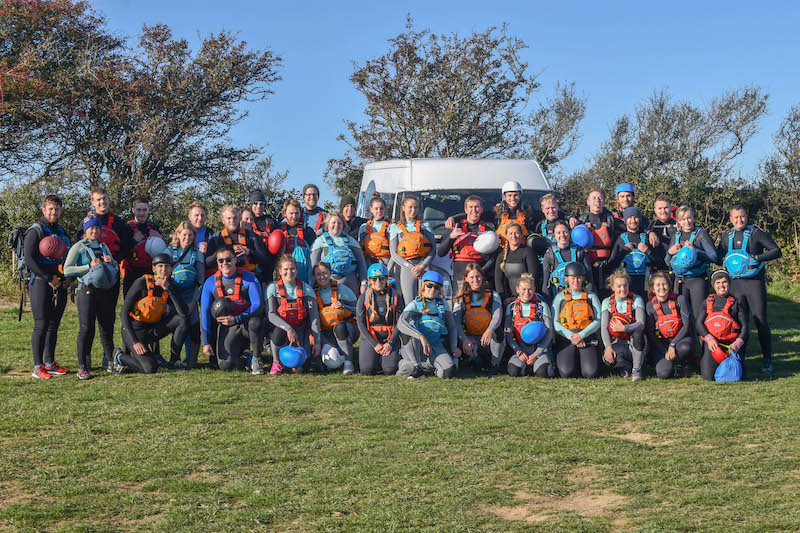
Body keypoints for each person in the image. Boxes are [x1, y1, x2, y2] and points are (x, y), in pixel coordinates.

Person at [717, 205, 782, 373]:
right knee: (739, 323)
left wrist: (757, 257)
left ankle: (767, 359)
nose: (740, 220)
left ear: (746, 216)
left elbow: (776, 251)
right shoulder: (727, 237)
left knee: (760, 321)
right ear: (730, 219)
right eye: (736, 217)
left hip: (754, 284)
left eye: (742, 216)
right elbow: (717, 256)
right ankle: (740, 357)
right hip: (735, 285)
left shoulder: (756, 233)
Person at [78, 187, 132, 368]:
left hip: (111, 278)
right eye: (98, 199)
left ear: (108, 199)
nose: (102, 202)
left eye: (104, 198)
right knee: (88, 324)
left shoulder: (118, 222)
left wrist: (112, 263)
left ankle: (108, 358)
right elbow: (78, 247)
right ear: (92, 202)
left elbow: (126, 247)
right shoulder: (86, 221)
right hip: (90, 280)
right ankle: (85, 360)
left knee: (108, 320)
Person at [109, 253, 190, 374]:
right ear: (154, 268)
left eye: (167, 266)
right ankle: (119, 356)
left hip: (152, 330)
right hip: (135, 331)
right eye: (160, 266)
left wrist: (169, 289)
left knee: (182, 320)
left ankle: (174, 360)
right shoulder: (141, 283)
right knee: (150, 368)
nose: (163, 270)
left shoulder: (170, 285)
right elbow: (123, 313)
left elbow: (183, 313)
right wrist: (135, 342)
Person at [64, 216, 119, 379]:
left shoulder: (103, 246)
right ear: (85, 230)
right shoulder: (78, 247)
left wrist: (112, 263)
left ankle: (110, 362)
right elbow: (67, 270)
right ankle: (82, 365)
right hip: (86, 291)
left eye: (97, 228)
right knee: (86, 328)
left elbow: (115, 266)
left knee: (106, 327)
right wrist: (88, 266)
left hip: (104, 291)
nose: (94, 231)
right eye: (91, 228)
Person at [25, 194, 72, 379]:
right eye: (50, 209)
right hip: (40, 282)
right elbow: (29, 259)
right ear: (44, 210)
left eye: (57, 209)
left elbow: (68, 258)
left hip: (59, 282)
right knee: (41, 324)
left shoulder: (61, 231)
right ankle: (38, 367)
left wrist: (68, 278)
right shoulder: (35, 230)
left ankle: (50, 363)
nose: (54, 212)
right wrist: (47, 278)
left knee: (54, 325)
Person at [199, 245, 264, 372]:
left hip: (246, 324)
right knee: (225, 365)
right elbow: (205, 313)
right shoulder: (210, 282)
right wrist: (206, 342)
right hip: (227, 326)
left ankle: (257, 359)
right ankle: (245, 357)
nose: (225, 263)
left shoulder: (249, 278)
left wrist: (237, 319)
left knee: (255, 322)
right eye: (221, 260)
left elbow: (257, 305)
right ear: (217, 263)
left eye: (228, 259)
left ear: (235, 260)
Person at [397, 271, 461, 379]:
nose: (432, 290)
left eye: (436, 287)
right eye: (429, 285)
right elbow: (401, 323)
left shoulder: (442, 304)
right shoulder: (415, 304)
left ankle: (422, 367)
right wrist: (420, 337)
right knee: (407, 331)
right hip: (416, 347)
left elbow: (452, 326)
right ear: (423, 286)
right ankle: (417, 367)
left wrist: (454, 346)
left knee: (448, 372)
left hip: (435, 345)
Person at [265, 254, 321, 374]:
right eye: (285, 269)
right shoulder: (272, 288)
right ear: (280, 271)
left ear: (296, 270)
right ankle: (276, 361)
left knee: (301, 370)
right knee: (278, 332)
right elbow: (271, 314)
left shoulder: (306, 289)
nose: (289, 272)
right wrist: (288, 328)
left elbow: (314, 318)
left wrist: (317, 342)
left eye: (292, 269)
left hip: (300, 331)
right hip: (281, 331)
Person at [665, 205, 717, 323]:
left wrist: (695, 250)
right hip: (680, 280)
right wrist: (669, 253)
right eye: (683, 219)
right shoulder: (677, 236)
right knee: (682, 316)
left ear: (693, 218)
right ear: (678, 221)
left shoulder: (701, 234)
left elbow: (713, 257)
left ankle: (701, 335)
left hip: (697, 279)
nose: (687, 222)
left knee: (698, 315)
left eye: (689, 218)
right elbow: (667, 261)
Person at [696, 270, 749, 381]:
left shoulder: (737, 302)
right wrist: (709, 339)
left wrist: (737, 344)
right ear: (713, 285)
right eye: (718, 283)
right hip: (713, 344)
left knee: (738, 376)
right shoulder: (707, 302)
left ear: (729, 284)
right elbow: (699, 324)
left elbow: (745, 326)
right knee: (708, 377)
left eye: (724, 282)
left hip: (731, 344)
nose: (721, 285)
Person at [452, 264, 505, 375]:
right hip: (470, 337)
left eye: (478, 276)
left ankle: (495, 364)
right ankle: (471, 360)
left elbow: (497, 316)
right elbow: (456, 321)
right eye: (471, 277)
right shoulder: (461, 297)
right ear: (466, 279)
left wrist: (489, 330)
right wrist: (464, 339)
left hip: (487, 337)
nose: (475, 280)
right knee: (477, 363)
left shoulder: (493, 295)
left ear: (482, 277)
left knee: (499, 333)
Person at [552, 262, 602, 378]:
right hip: (567, 338)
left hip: (587, 337)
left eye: (579, 278)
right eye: (573, 278)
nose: (576, 281)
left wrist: (581, 335)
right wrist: (573, 337)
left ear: (583, 278)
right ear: (567, 279)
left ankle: (585, 361)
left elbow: (598, 320)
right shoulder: (559, 298)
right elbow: (555, 322)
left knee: (590, 373)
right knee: (566, 373)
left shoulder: (591, 297)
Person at [166, 222, 205, 369]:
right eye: (184, 234)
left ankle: (191, 360)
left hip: (191, 294)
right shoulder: (169, 251)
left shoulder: (197, 253)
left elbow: (200, 280)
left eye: (190, 235)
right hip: (174, 295)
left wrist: (194, 301)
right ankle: (174, 358)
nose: (187, 238)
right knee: (178, 325)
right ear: (178, 235)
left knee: (193, 324)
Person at [437, 195, 497, 289]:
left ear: (481, 209)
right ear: (465, 210)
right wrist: (451, 237)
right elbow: (440, 252)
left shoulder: (487, 231)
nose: (474, 210)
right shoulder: (456, 228)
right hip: (460, 273)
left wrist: (481, 271)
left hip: (479, 276)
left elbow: (493, 257)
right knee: (460, 298)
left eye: (477, 207)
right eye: (470, 207)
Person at [356, 263, 404, 376]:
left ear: (386, 279)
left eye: (381, 278)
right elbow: (360, 324)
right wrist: (375, 344)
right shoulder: (364, 297)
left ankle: (384, 360)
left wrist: (390, 343)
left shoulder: (395, 296)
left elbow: (399, 322)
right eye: (374, 279)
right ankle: (375, 359)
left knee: (390, 370)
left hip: (389, 338)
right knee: (367, 371)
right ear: (369, 280)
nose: (378, 281)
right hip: (371, 337)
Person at [645, 271, 694, 379]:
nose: (662, 287)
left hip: (680, 341)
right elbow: (651, 333)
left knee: (685, 348)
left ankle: (684, 364)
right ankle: (671, 364)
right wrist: (665, 351)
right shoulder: (649, 306)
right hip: (662, 344)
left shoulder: (679, 299)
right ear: (652, 289)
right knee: (664, 374)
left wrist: (673, 345)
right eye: (658, 285)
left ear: (669, 286)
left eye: (664, 284)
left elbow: (686, 326)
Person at [390, 195, 437, 306]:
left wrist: (422, 266)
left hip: (423, 267)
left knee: (426, 302)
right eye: (410, 207)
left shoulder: (425, 225)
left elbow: (433, 250)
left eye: (415, 207)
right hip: (407, 269)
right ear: (403, 208)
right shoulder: (395, 227)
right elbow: (393, 253)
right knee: (409, 304)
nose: (413, 210)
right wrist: (410, 267)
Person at [504, 274, 554, 377]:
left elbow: (549, 332)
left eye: (530, 289)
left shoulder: (542, 306)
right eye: (523, 289)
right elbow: (508, 333)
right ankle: (526, 367)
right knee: (514, 372)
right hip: (521, 349)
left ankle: (541, 365)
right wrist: (518, 351)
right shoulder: (511, 308)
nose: (526, 292)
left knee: (543, 372)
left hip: (539, 349)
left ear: (534, 289)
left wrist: (536, 354)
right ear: (517, 289)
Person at [313, 261, 358, 375]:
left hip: (345, 329)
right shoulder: (312, 292)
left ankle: (348, 362)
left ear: (330, 273)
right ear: (314, 276)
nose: (322, 277)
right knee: (331, 362)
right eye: (318, 274)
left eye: (325, 273)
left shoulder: (341, 289)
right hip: (325, 332)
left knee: (340, 326)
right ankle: (334, 357)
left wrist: (344, 306)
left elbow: (358, 310)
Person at [600, 270, 647, 381]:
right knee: (608, 359)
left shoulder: (636, 299)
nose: (623, 289)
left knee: (638, 334)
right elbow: (604, 327)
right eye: (619, 286)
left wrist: (625, 328)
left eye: (625, 285)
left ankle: (637, 369)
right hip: (618, 342)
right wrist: (608, 347)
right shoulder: (607, 302)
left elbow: (641, 323)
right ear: (613, 287)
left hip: (635, 343)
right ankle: (624, 366)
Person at [206, 205, 270, 281]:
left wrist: (249, 252)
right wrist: (220, 253)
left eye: (235, 218)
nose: (232, 221)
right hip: (224, 280)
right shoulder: (216, 239)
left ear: (240, 219)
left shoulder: (252, 236)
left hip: (248, 279)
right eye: (229, 218)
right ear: (223, 220)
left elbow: (265, 259)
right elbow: (207, 263)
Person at [310, 212, 367, 295]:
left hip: (351, 287)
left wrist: (364, 283)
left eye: (339, 223)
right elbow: (312, 266)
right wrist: (312, 286)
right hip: (327, 287)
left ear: (343, 225)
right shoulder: (320, 242)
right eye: (333, 222)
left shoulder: (351, 241)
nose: (336, 225)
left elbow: (362, 265)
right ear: (327, 224)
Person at [603, 207, 653, 298]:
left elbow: (659, 262)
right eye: (629, 217)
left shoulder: (646, 238)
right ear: (625, 220)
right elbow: (611, 264)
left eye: (635, 217)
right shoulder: (621, 239)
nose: (633, 220)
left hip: (645, 282)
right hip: (625, 283)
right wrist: (624, 251)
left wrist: (647, 251)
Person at [577, 189, 617, 293]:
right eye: (594, 198)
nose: (597, 201)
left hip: (607, 266)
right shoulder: (581, 220)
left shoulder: (611, 220)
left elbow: (631, 227)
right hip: (587, 266)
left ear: (604, 202)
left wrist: (649, 232)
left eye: (600, 198)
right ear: (588, 202)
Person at [121, 197, 163, 296]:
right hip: (131, 274)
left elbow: (162, 252)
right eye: (138, 210)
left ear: (148, 210)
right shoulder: (126, 228)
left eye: (144, 210)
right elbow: (121, 252)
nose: (141, 213)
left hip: (150, 272)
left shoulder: (154, 227)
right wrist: (134, 241)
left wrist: (160, 238)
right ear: (133, 210)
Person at [541, 221, 593, 299]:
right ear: (554, 235)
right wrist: (548, 302)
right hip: (559, 298)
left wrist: (588, 298)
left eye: (565, 232)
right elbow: (546, 283)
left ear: (569, 233)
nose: (562, 235)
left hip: (579, 297)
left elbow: (589, 278)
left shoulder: (579, 251)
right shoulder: (550, 255)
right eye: (558, 233)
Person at [495, 222, 540, 302]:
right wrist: (503, 298)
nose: (514, 236)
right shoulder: (501, 256)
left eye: (516, 233)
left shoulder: (528, 252)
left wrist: (524, 297)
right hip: (509, 299)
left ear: (521, 235)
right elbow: (498, 280)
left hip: (527, 297)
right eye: (510, 233)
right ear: (506, 236)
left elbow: (533, 276)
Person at [279, 199, 316, 284]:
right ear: (284, 213)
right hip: (283, 277)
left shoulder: (308, 232)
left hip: (304, 278)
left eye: (296, 213)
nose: (294, 216)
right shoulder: (278, 231)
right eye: (291, 213)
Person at [249, 190, 278, 283]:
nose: (259, 206)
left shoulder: (271, 222)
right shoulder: (246, 221)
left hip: (269, 266)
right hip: (252, 266)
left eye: (261, 203)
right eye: (255, 203)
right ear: (251, 205)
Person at [358, 194, 393, 268]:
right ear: (371, 209)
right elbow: (360, 249)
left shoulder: (391, 226)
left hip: (385, 263)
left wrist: (388, 269)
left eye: (381, 208)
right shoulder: (364, 227)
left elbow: (394, 251)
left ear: (385, 209)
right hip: (368, 263)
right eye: (376, 208)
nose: (379, 211)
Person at [647, 195, 677, 271]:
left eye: (666, 208)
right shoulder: (652, 225)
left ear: (670, 208)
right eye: (660, 208)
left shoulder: (678, 224)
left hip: (674, 266)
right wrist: (650, 232)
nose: (663, 211)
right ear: (655, 210)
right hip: (657, 267)